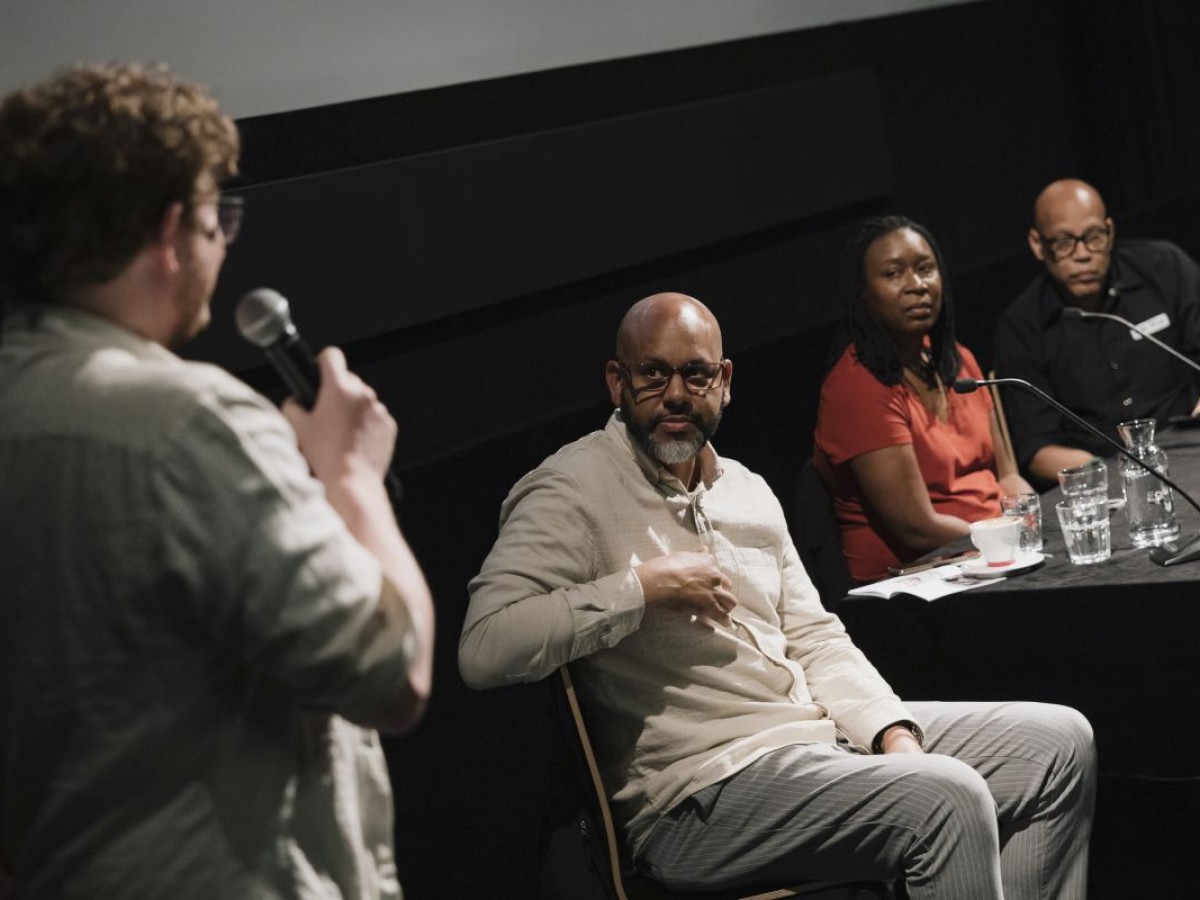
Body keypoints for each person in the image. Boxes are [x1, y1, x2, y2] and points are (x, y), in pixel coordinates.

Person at [461, 292, 1095, 899]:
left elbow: (816, 637)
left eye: (696, 374)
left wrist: (890, 731)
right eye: (653, 375)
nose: (676, 394)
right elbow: (485, 647)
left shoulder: (745, 488)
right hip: (699, 793)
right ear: (616, 382)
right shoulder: (570, 490)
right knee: (946, 797)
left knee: (1056, 744)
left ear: (726, 380)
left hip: (813, 741)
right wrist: (639, 588)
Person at [0, 63, 434, 898]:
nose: (222, 240)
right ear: (171, 231)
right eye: (216, 216)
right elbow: (395, 668)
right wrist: (351, 475)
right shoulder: (189, 420)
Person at [812, 216, 1032, 583]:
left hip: (993, 552)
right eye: (893, 274)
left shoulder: (957, 359)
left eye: (925, 269)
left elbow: (1007, 477)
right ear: (864, 291)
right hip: (920, 576)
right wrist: (1005, 539)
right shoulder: (857, 387)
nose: (917, 285)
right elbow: (916, 527)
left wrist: (1035, 524)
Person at [993, 178, 1200, 485]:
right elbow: (1037, 451)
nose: (1082, 254)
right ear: (1038, 245)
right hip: (1104, 480)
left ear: (1110, 231)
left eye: (1093, 237)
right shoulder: (1021, 328)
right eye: (1064, 243)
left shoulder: (1164, 267)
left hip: (1190, 449)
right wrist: (1123, 474)